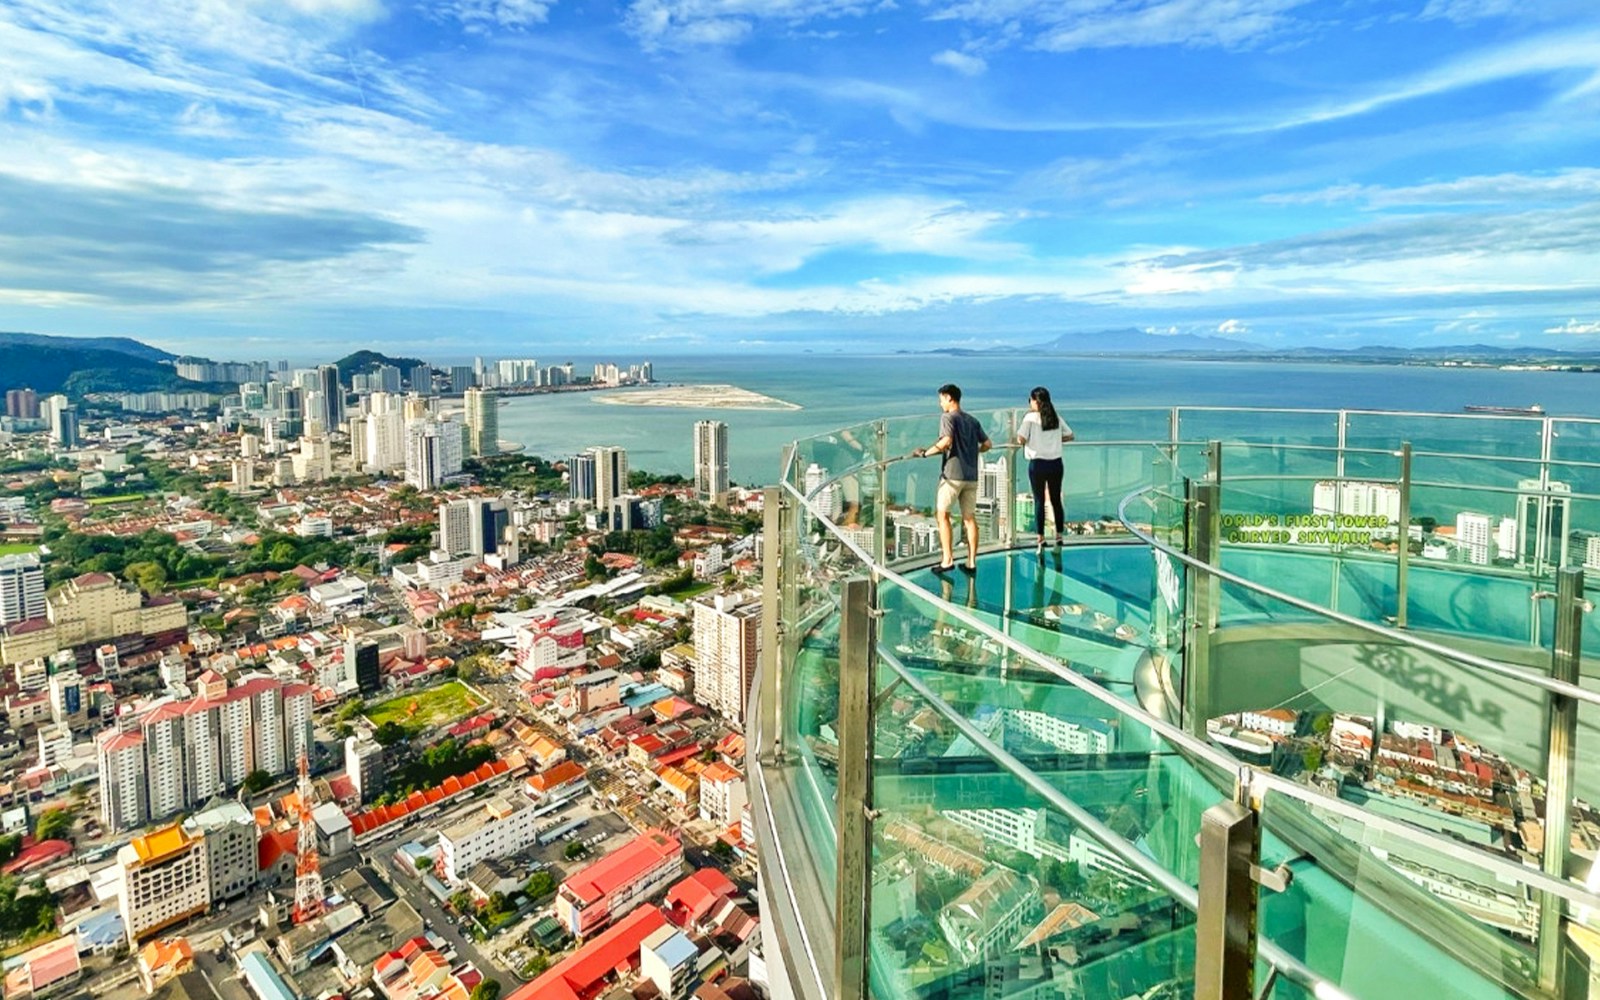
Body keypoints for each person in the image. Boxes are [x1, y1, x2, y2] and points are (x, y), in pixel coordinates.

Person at [912, 384, 991, 574]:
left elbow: (946, 441)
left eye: (941, 399)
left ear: (949, 398)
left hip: (952, 475)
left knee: (942, 515)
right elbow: (987, 444)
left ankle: (947, 560)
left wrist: (925, 453)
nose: (940, 404)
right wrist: (973, 452)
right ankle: (971, 562)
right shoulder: (972, 420)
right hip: (971, 476)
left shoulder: (948, 417)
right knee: (969, 519)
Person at [1017, 385, 1074, 548]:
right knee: (1056, 500)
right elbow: (1070, 435)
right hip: (1056, 463)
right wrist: (1055, 442)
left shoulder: (1030, 418)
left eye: (1031, 400)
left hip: (1038, 464)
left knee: (1039, 501)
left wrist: (1032, 441)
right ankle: (1059, 534)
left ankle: (1040, 537)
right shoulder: (1055, 417)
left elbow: (1020, 438)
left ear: (1036, 402)